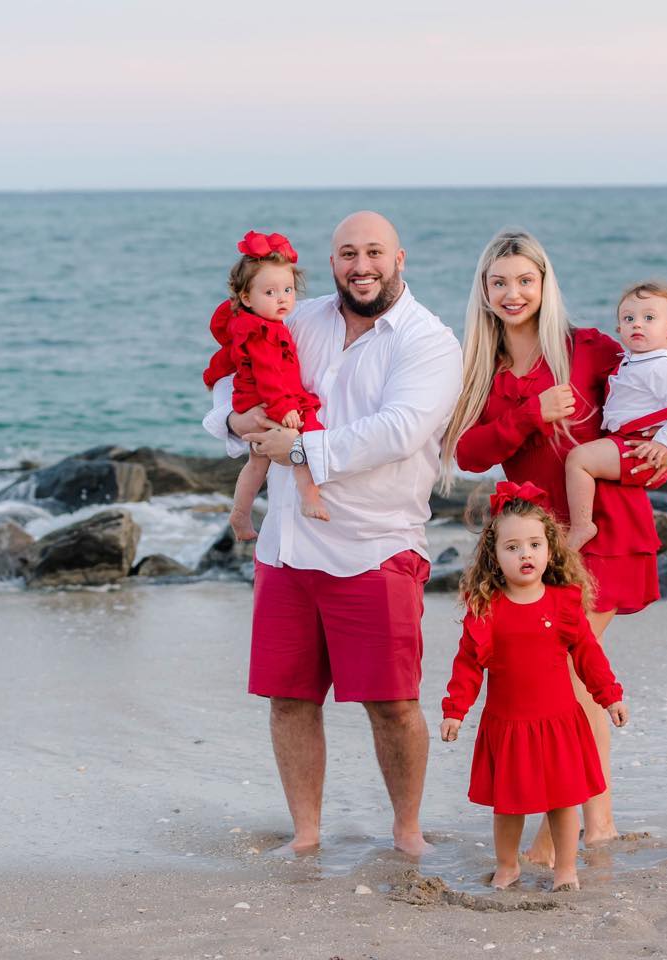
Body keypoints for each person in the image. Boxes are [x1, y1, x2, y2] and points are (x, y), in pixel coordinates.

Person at [203, 211, 462, 857]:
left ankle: (407, 831)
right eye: (348, 253)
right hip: (288, 544)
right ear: (332, 262)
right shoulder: (298, 316)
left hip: (378, 544)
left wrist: (298, 449)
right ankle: (307, 835)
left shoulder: (429, 341)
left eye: (375, 252)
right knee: (289, 700)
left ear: (401, 259)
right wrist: (236, 420)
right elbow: (232, 382)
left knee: (393, 703)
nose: (361, 265)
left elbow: (397, 430)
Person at [440, 229, 667, 863]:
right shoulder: (484, 369)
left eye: (525, 280)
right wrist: (530, 414)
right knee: (562, 678)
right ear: (485, 291)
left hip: (602, 531)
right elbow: (469, 454)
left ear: (545, 284)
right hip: (531, 547)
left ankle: (588, 828)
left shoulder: (589, 349)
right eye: (499, 282)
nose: (513, 292)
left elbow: (665, 412)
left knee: (574, 678)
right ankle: (586, 825)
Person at [440, 481, 627, 891]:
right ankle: (507, 865)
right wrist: (455, 710)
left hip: (559, 723)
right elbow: (468, 666)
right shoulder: (486, 609)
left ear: (549, 549)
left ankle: (565, 870)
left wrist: (609, 696)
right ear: (494, 555)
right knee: (509, 807)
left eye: (534, 544)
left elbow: (588, 657)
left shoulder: (564, 604)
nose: (525, 554)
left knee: (563, 803)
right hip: (508, 726)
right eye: (512, 547)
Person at [203, 230, 328, 542]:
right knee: (304, 438)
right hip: (269, 398)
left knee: (257, 462)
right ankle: (309, 496)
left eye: (287, 289)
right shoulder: (260, 331)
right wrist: (284, 407)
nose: (282, 298)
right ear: (247, 298)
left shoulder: (263, 324)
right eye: (270, 293)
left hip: (261, 398)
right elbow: (268, 372)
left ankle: (240, 512)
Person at [565, 281, 667, 550]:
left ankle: (582, 526)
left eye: (649, 318)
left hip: (635, 445)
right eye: (628, 318)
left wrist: (664, 443)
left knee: (578, 460)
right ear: (619, 329)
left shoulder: (663, 364)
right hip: (625, 440)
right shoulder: (631, 359)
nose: (637, 324)